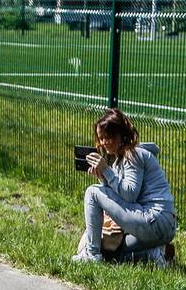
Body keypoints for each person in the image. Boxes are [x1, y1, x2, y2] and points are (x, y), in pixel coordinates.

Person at [72, 108, 176, 266]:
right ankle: (155, 254)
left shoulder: (133, 154)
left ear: (121, 134)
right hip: (160, 226)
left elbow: (130, 195)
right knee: (112, 254)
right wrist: (103, 177)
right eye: (101, 138)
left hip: (154, 219)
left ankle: (92, 254)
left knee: (92, 192)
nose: (104, 142)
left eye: (109, 137)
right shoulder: (122, 159)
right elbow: (122, 195)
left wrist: (106, 170)